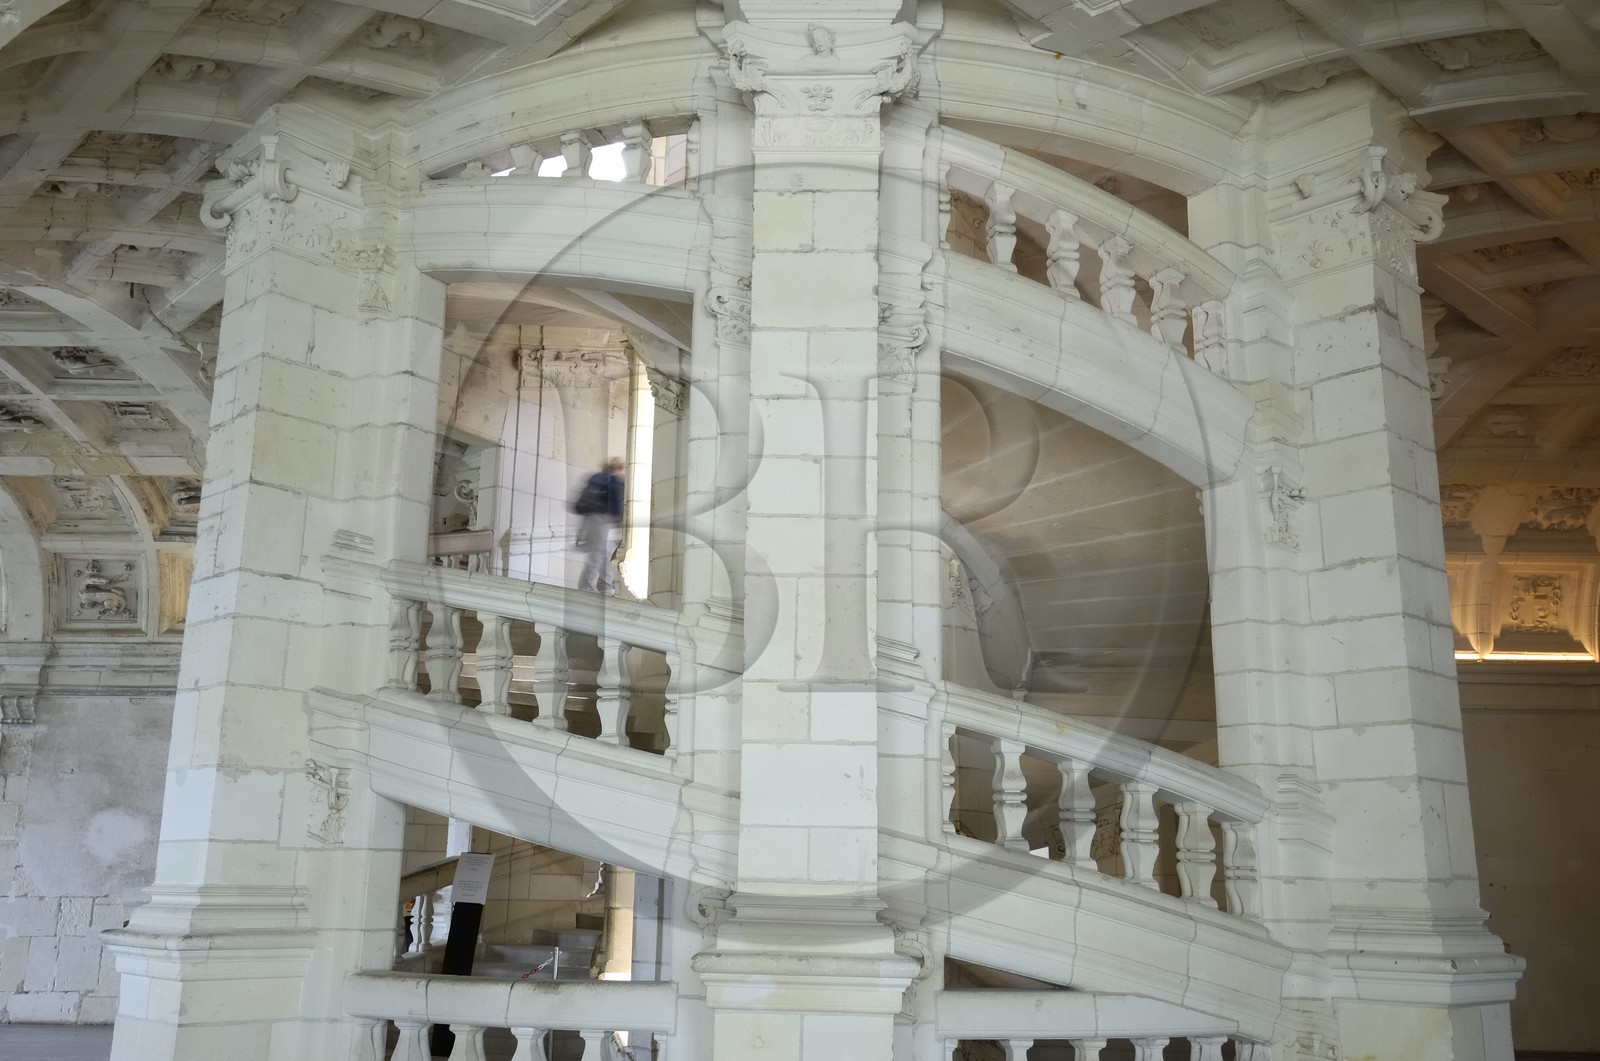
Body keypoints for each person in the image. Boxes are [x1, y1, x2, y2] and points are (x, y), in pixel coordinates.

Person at [574, 457, 625, 594]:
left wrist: (580, 533)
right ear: (617, 468)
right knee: (598, 552)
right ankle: (587, 586)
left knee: (603, 552)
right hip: (603, 519)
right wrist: (620, 523)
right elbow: (616, 504)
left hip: (592, 519)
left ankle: (606, 586)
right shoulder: (613, 481)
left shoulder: (596, 478)